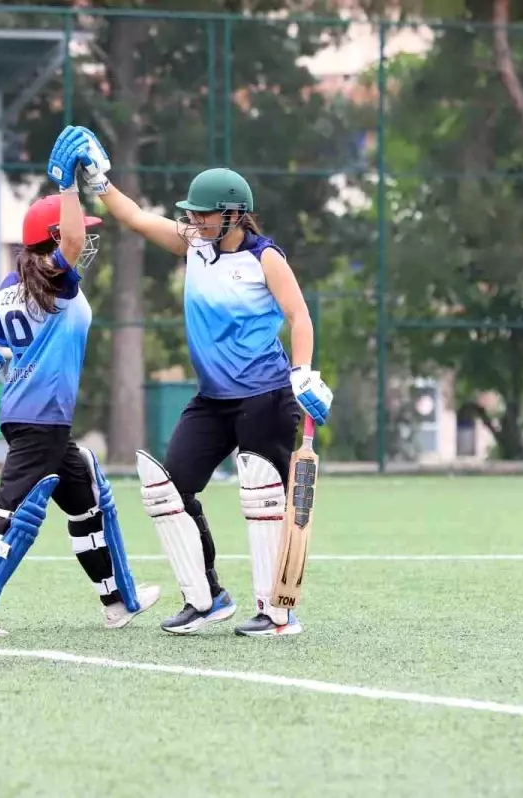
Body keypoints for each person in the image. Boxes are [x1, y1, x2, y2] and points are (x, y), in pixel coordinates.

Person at [73, 127, 334, 637]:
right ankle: (207, 598)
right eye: (190, 214)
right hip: (213, 400)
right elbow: (135, 218)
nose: (192, 221)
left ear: (233, 215)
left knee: (265, 500)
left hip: (266, 398)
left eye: (203, 214)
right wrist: (98, 181)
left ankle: (277, 610)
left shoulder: (265, 258)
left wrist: (303, 372)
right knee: (169, 488)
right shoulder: (195, 244)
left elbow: (299, 317)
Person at [0, 127, 160, 638]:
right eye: (75, 231)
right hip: (37, 420)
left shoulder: (15, 283)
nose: (86, 238)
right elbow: (76, 239)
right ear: (55, 239)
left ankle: (118, 599)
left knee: (87, 493)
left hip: (35, 418)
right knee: (13, 509)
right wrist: (66, 186)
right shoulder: (55, 277)